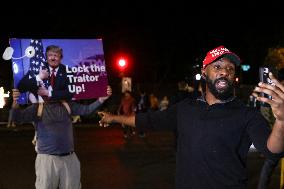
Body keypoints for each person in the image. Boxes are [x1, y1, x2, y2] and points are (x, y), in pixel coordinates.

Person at [98, 45, 284, 189]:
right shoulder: (185, 108)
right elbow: (147, 120)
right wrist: (113, 118)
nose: (225, 72)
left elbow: (272, 151)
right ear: (204, 72)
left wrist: (282, 120)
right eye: (217, 66)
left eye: (230, 69)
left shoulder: (246, 114)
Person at [11, 86, 112, 189]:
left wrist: (101, 99)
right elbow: (17, 119)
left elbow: (86, 110)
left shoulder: (67, 104)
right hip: (47, 160)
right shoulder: (37, 107)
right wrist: (15, 102)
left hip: (69, 158)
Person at [257, 68, 284, 189]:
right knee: (269, 164)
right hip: (279, 132)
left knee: (269, 165)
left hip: (277, 133)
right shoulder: (276, 91)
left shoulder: (275, 89)